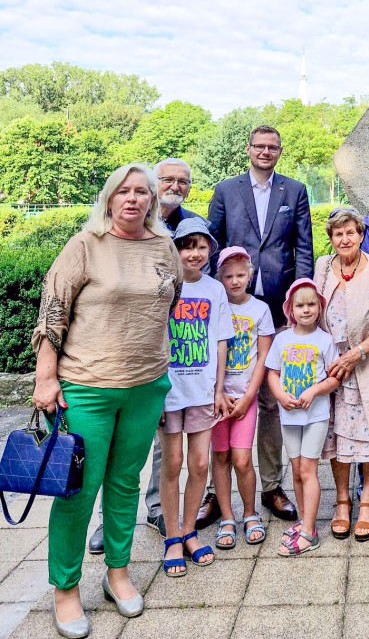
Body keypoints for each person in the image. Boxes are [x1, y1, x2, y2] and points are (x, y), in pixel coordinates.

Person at [31, 164, 182, 637]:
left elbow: (170, 301)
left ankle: (118, 574)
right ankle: (66, 589)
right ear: (110, 198)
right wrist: (46, 377)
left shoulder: (165, 246)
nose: (133, 199)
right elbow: (53, 308)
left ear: (153, 202)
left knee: (125, 485)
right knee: (78, 489)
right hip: (87, 388)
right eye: (124, 191)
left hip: (146, 385)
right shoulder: (85, 245)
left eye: (143, 192)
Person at [89, 157, 200, 554]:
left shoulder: (186, 228)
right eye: (167, 178)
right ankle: (106, 521)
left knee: (160, 441)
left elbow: (178, 297)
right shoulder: (105, 234)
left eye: (182, 181)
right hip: (110, 363)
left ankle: (156, 508)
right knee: (114, 446)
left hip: (160, 357)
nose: (176, 185)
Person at [207, 125, 314, 524]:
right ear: (248, 149)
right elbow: (212, 244)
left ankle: (271, 486)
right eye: (260, 146)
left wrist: (300, 301)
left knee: (270, 397)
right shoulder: (225, 190)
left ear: (280, 151)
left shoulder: (295, 191)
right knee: (218, 390)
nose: (266, 152)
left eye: (273, 147)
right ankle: (215, 495)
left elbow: (304, 246)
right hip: (232, 303)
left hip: (277, 304)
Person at [313, 207, 369, 541]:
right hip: (331, 370)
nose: (345, 238)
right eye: (338, 233)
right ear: (331, 238)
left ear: (361, 234)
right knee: (336, 438)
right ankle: (341, 501)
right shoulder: (323, 267)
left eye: (350, 232)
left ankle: (366, 502)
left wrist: (357, 353)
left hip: (367, 365)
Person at [160, 217, 234, 577]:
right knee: (171, 463)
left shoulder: (215, 289)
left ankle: (189, 529)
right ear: (175, 248)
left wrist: (219, 389)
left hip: (203, 390)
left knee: (200, 464)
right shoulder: (165, 287)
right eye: (187, 246)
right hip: (170, 392)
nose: (194, 253)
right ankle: (171, 534)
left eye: (201, 246)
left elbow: (221, 340)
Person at [266, 279, 340, 556]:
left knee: (308, 471)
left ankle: (309, 532)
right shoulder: (282, 339)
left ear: (319, 308)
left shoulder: (325, 340)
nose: (306, 310)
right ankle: (303, 522)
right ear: (290, 309)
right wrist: (280, 396)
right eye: (300, 305)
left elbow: (334, 378)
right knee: (296, 471)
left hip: (315, 417)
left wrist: (315, 390)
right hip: (289, 417)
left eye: (311, 304)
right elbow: (272, 373)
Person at [211, 246, 275, 550]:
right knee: (220, 457)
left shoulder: (260, 310)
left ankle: (250, 513)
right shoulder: (215, 306)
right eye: (228, 276)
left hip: (244, 397)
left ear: (250, 276)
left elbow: (264, 356)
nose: (235, 281)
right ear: (220, 277)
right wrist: (218, 392)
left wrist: (250, 396)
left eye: (240, 275)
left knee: (242, 458)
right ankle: (227, 517)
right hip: (216, 400)